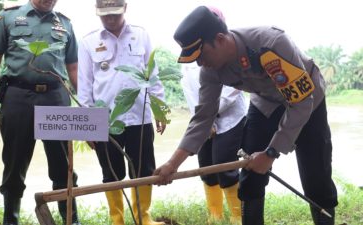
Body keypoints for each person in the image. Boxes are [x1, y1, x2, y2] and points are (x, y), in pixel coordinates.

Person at [154, 6, 338, 225]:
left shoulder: (271, 43)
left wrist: (271, 153)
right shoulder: (211, 70)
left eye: (201, 55)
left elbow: (299, 103)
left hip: (307, 99)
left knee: (315, 176)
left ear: (220, 39)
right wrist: (173, 164)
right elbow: (203, 118)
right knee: (250, 173)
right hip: (266, 103)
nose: (200, 63)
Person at [0, 0, 80, 224]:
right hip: (18, 97)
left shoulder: (65, 24)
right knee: (14, 163)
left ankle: (71, 219)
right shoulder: (8, 18)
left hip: (56, 98)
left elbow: (73, 68)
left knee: (64, 164)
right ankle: (10, 220)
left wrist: (86, 104)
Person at [77, 0, 165, 225]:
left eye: (114, 14)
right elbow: (85, 86)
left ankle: (142, 217)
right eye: (105, 15)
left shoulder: (141, 35)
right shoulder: (88, 42)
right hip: (105, 121)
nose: (110, 19)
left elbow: (152, 75)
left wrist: (159, 109)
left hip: (140, 116)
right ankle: (117, 219)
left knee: (143, 170)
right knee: (111, 172)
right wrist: (88, 126)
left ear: (125, 8)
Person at [181, 62, 246, 224]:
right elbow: (189, 92)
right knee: (206, 166)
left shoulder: (224, 55)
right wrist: (202, 120)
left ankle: (237, 216)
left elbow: (233, 89)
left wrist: (208, 115)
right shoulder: (187, 63)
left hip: (230, 116)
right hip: (202, 119)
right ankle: (215, 214)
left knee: (224, 164)